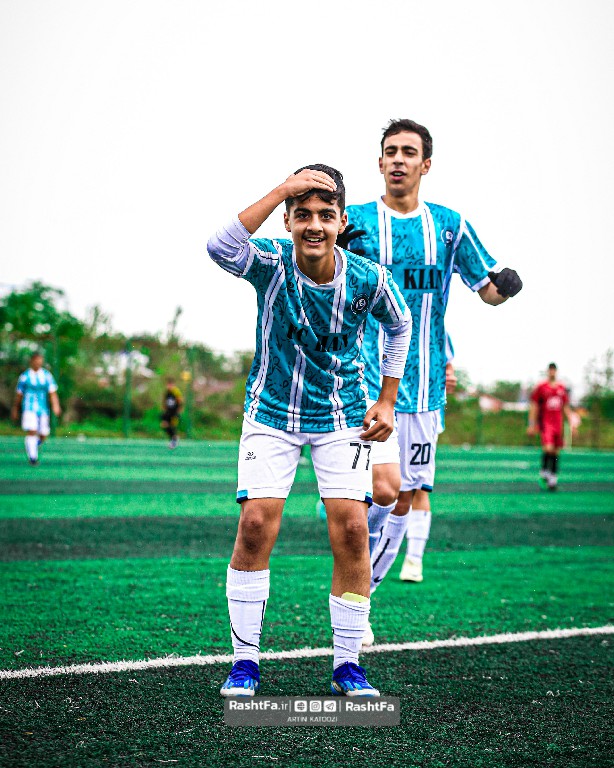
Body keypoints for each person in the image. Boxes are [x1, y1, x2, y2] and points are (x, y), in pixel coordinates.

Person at [207, 164, 411, 698]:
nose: (314, 225)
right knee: (255, 524)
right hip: (271, 414)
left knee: (352, 531)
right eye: (302, 214)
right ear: (288, 221)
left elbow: (400, 324)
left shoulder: (368, 278)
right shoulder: (270, 264)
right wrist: (282, 188)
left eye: (325, 215)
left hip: (342, 418)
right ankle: (244, 663)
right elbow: (219, 246)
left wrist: (387, 399)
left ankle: (348, 666)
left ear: (341, 221)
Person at [338, 119, 523, 645]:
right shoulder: (355, 221)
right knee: (378, 492)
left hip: (424, 390)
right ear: (379, 163)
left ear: (426, 164)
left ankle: (363, 596)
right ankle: (354, 593)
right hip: (363, 381)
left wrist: (506, 287)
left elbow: (486, 287)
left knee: (404, 497)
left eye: (408, 152)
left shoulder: (449, 226)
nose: (398, 159)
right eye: (390, 151)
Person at [399, 332, 456, 583]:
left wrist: (449, 376)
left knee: (418, 487)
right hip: (382, 409)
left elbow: (448, 366)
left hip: (423, 414)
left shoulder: (434, 326)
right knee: (384, 487)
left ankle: (414, 559)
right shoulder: (376, 317)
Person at [527, 363, 574, 490]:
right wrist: (531, 424)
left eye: (554, 370)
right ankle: (544, 472)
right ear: (548, 371)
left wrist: (571, 422)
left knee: (556, 451)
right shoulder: (541, 387)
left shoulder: (561, 388)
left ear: (556, 371)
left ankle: (553, 479)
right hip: (546, 423)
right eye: (550, 370)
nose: (552, 372)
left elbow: (565, 407)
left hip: (558, 424)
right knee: (548, 448)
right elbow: (534, 406)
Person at [11, 351, 61, 466]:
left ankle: (32, 445)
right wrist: (15, 408)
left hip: (43, 409)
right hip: (29, 408)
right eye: (36, 360)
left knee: (44, 433)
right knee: (32, 430)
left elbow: (52, 393)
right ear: (32, 361)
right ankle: (33, 457)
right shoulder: (25, 376)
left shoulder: (46, 375)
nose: (39, 362)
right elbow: (19, 394)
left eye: (40, 360)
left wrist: (56, 405)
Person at [161, 377, 183, 448]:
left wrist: (179, 410)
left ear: (173, 385)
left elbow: (180, 400)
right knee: (164, 424)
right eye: (168, 385)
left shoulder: (176, 391)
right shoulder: (167, 392)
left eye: (170, 385)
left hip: (174, 411)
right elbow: (165, 401)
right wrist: (164, 409)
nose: (169, 386)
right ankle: (174, 438)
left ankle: (174, 441)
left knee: (172, 426)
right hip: (168, 411)